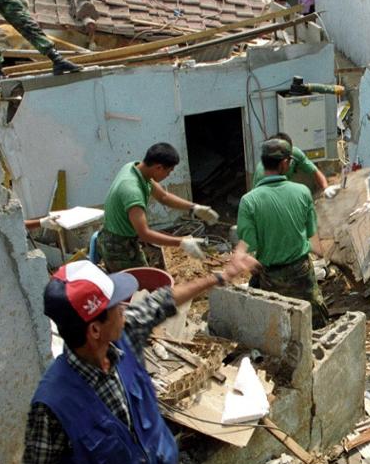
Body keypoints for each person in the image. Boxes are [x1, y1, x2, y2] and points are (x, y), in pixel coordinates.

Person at [21, 248, 260, 464]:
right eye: (116, 305)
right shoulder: (52, 404)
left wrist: (222, 276)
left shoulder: (125, 333)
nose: (126, 307)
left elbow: (163, 301)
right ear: (94, 330)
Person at [238, 138, 329, 328]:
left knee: (275, 326)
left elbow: (248, 246)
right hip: (300, 273)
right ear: (285, 163)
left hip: (270, 276)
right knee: (317, 324)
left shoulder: (249, 201)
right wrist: (323, 254)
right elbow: (312, 235)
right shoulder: (302, 192)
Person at [97, 143, 220, 272]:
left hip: (124, 238)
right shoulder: (132, 190)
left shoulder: (136, 168)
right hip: (117, 246)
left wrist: (194, 207)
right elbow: (145, 234)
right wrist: (182, 242)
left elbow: (164, 197)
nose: (168, 175)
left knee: (144, 277)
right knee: (136, 284)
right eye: (169, 171)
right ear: (158, 167)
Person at [250, 132, 330, 192]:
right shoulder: (262, 173)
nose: (289, 162)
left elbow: (314, 171)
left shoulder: (295, 154)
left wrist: (326, 189)